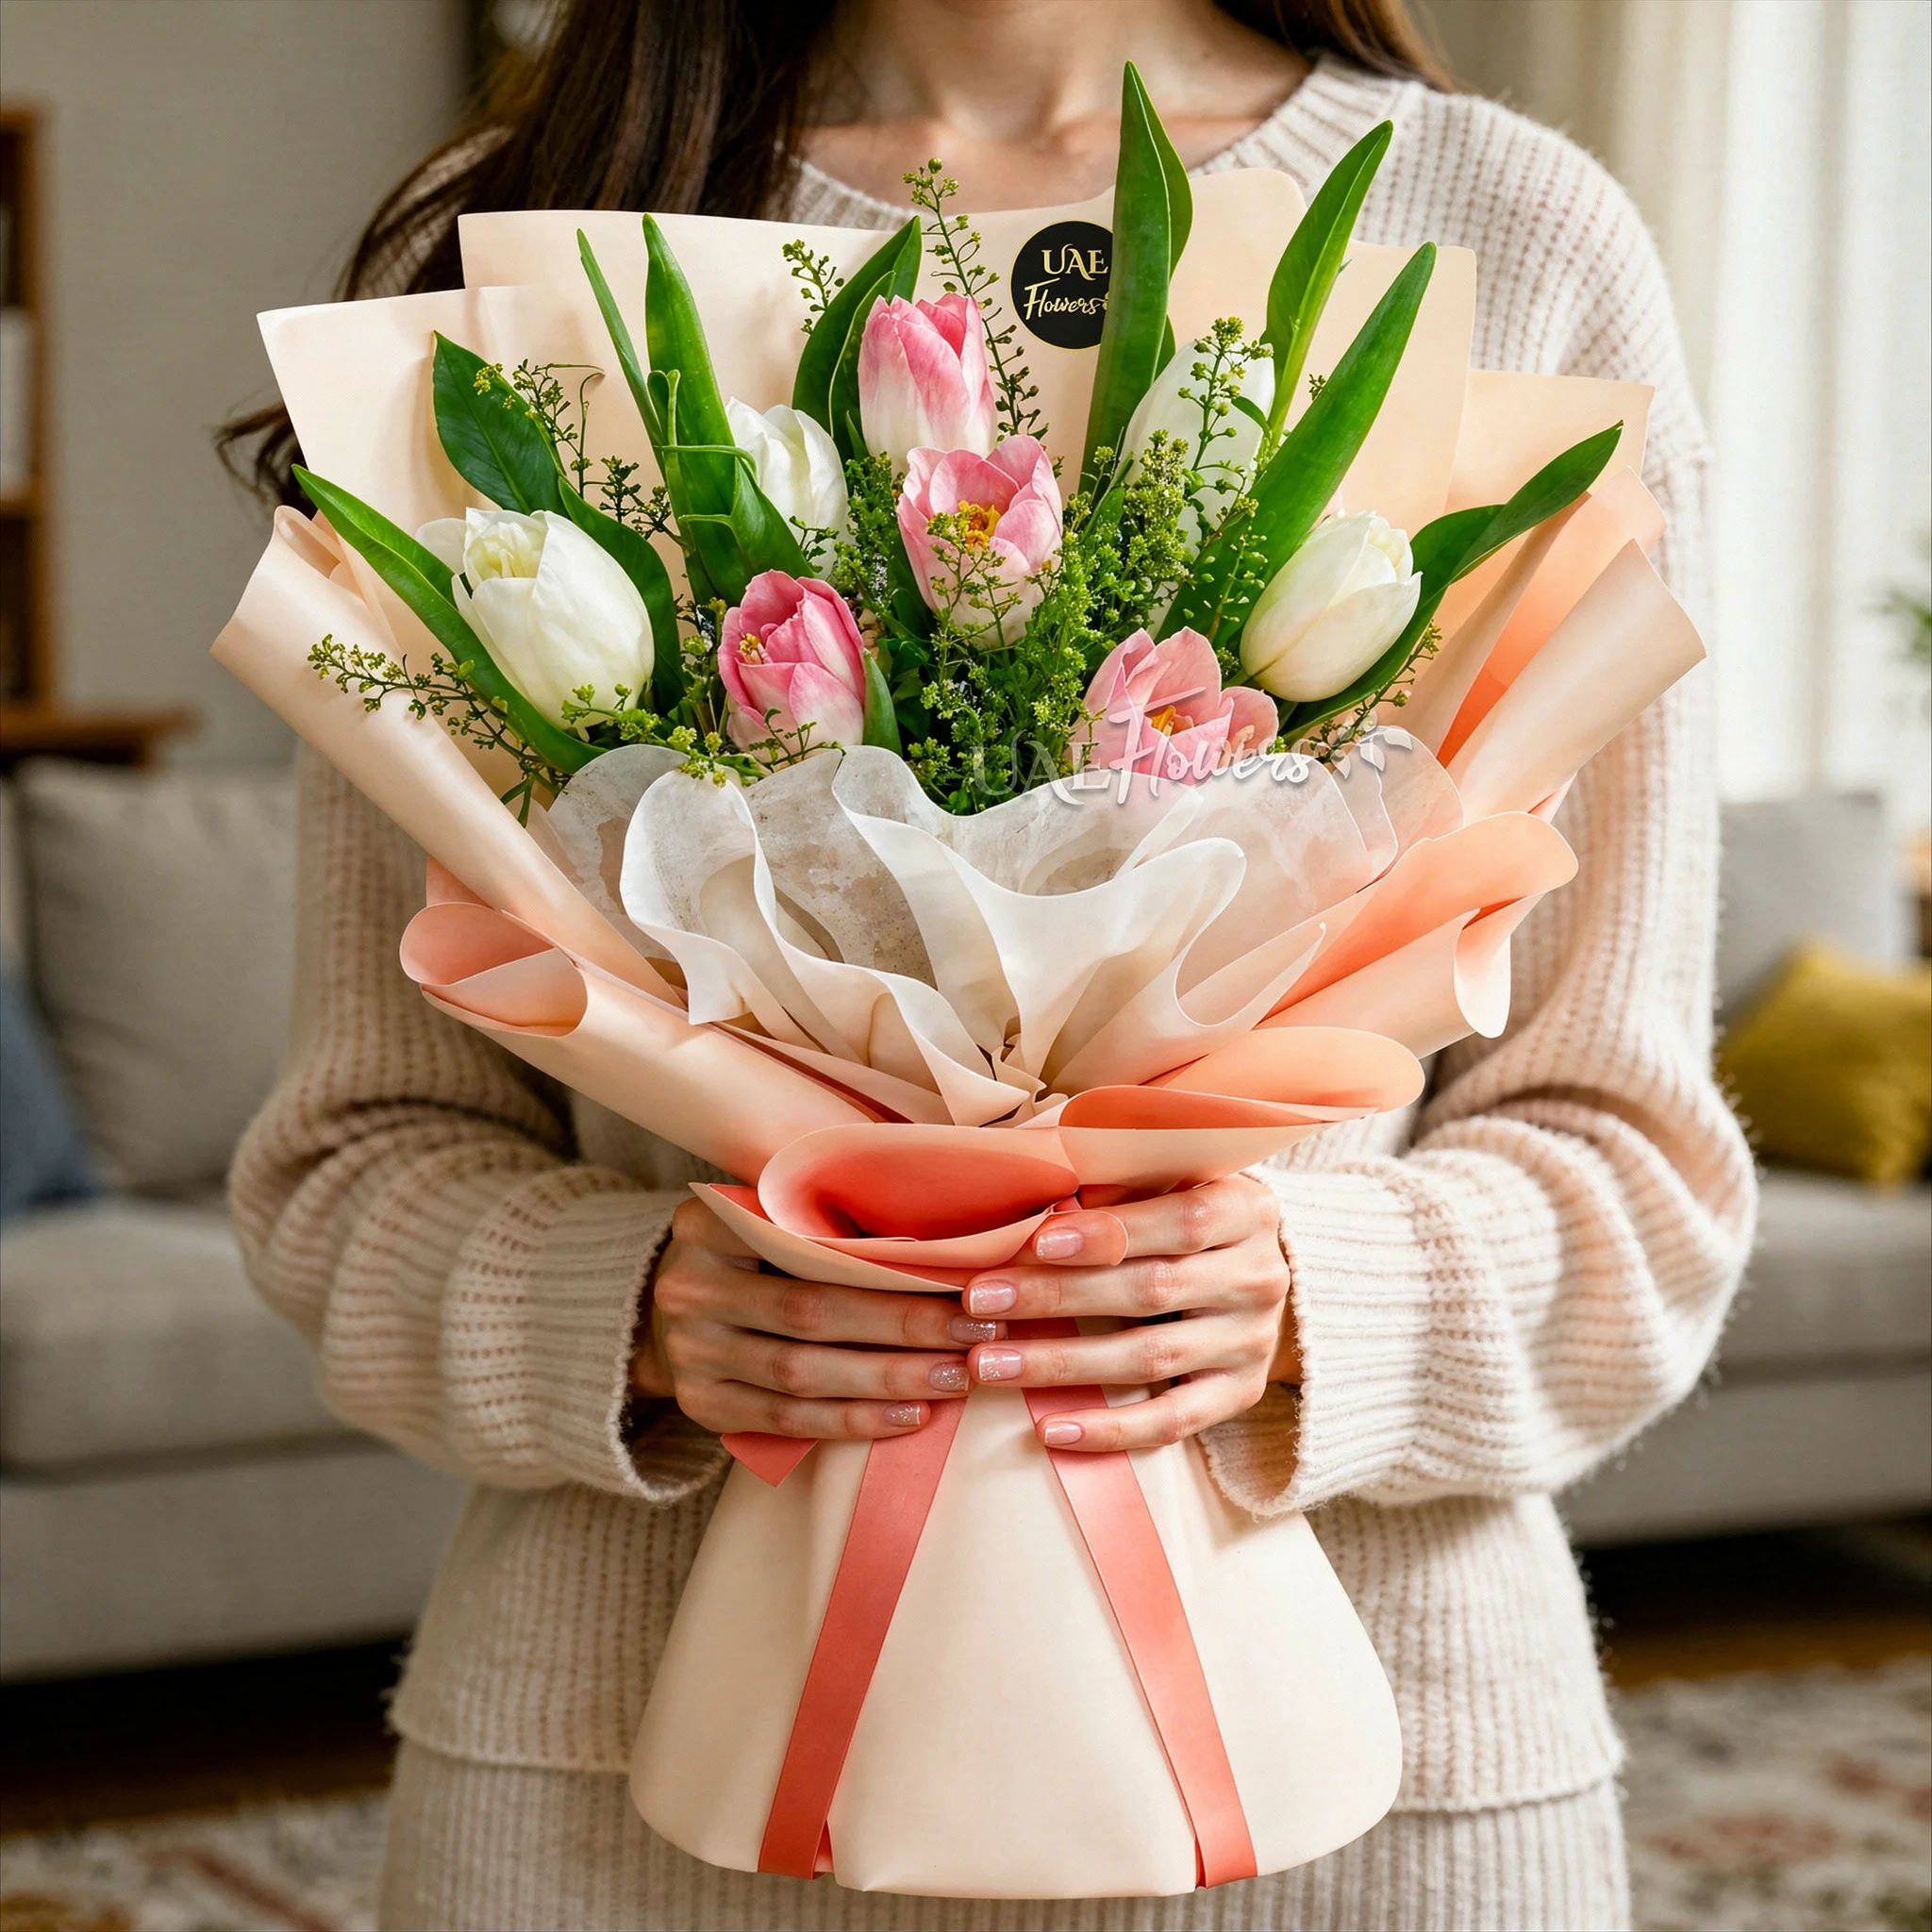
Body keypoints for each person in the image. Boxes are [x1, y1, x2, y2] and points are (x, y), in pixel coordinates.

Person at [223, 3, 1757, 1926]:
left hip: (1373, 1794)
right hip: (619, 1801)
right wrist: (630, 1311)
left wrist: (1314, 1294)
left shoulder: (1514, 233)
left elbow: (1637, 1174)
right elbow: (351, 1162)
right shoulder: (529, 238)